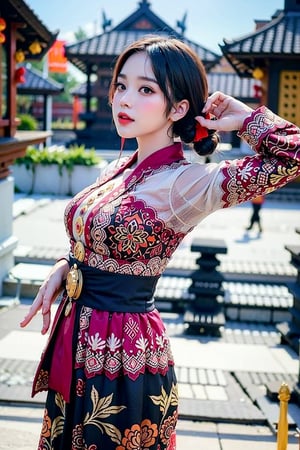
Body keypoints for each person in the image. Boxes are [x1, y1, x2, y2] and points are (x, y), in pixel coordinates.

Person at [20, 35, 300, 450]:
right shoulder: (119, 167)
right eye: (121, 85)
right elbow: (96, 238)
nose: (124, 99)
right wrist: (69, 266)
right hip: (78, 342)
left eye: (146, 89)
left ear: (180, 108)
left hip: (123, 356)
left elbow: (293, 156)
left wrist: (245, 119)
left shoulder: (186, 183)